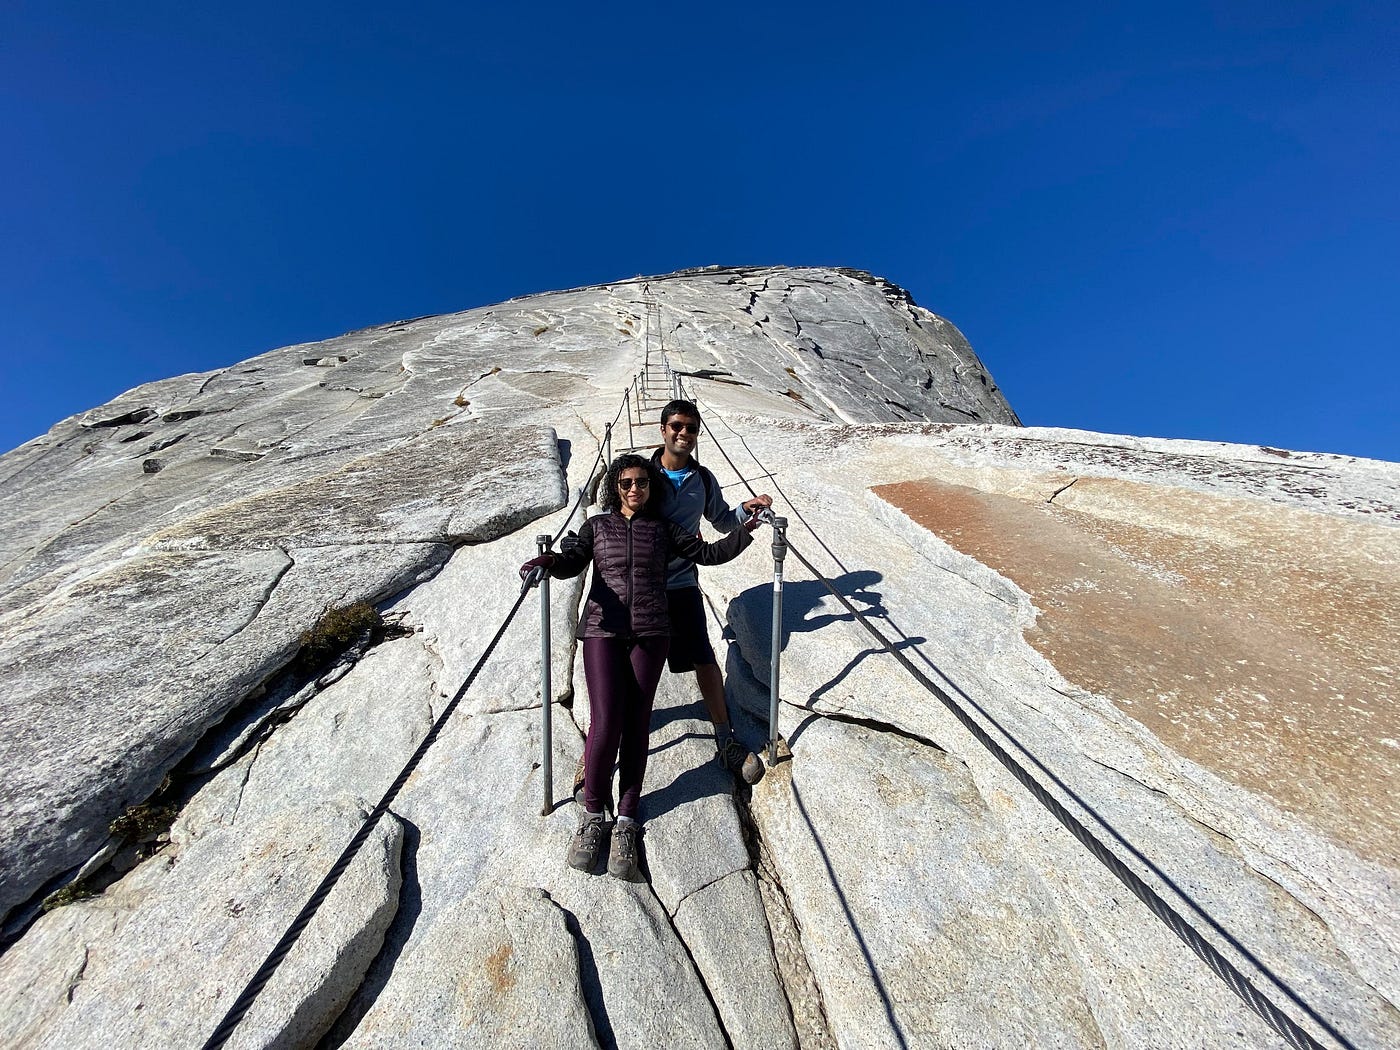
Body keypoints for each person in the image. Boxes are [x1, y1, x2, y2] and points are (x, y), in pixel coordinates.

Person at [520, 454, 763, 879]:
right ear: (616, 486)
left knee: (636, 723)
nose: (635, 489)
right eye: (627, 482)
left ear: (651, 487)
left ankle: (628, 818)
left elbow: (707, 553)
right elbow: (574, 560)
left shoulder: (663, 529)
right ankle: (594, 814)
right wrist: (549, 562)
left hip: (651, 631)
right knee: (606, 720)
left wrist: (746, 531)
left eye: (642, 483)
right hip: (602, 630)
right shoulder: (596, 527)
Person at [650, 399, 773, 783]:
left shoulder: (701, 479)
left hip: (683, 581)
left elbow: (720, 519)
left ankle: (724, 739)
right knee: (628, 667)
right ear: (663, 429)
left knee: (704, 657)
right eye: (676, 426)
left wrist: (746, 510)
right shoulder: (641, 476)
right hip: (642, 585)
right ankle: (601, 745)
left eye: (690, 428)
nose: (683, 434)